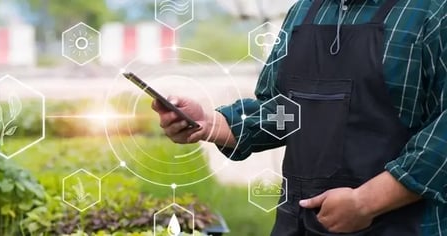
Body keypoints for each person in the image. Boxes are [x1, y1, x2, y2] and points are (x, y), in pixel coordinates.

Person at [153, 0, 446, 235]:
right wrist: (210, 124)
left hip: (398, 225)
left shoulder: (431, 12)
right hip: (297, 223)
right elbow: (287, 113)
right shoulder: (304, 11)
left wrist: (365, 202)